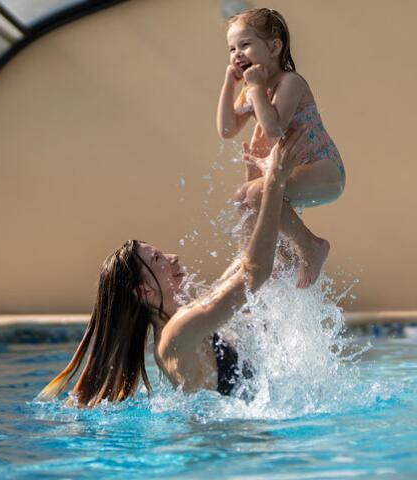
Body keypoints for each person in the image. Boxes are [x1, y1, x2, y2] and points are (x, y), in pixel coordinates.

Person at [37, 128, 309, 407]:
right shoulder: (177, 333)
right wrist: (274, 180)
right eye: (157, 260)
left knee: (279, 260)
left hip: (241, 442)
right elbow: (255, 273)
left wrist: (256, 179)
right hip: (228, 449)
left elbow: (245, 260)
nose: (173, 257)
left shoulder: (186, 316)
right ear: (144, 291)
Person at [217, 7, 345, 289]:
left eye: (245, 45)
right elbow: (227, 129)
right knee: (243, 198)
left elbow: (273, 128)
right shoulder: (254, 88)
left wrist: (255, 89)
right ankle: (282, 259)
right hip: (290, 172)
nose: (237, 54)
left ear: (274, 46)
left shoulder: (290, 83)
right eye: (232, 48)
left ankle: (311, 246)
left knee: (256, 194)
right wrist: (230, 84)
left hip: (323, 170)